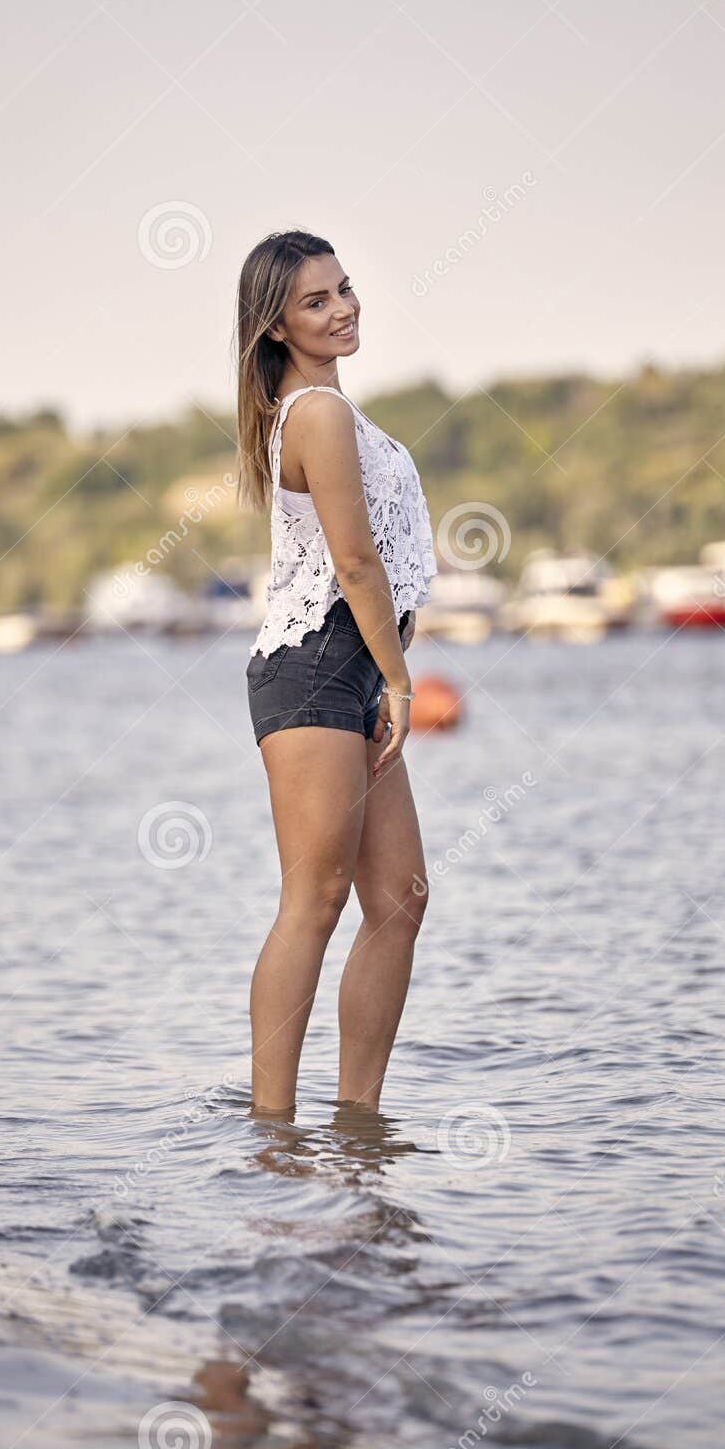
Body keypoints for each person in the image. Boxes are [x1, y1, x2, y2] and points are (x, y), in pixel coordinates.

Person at [235, 230, 437, 1115]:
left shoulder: (332, 409)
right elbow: (354, 565)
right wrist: (397, 681)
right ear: (274, 326)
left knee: (399, 899)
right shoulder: (314, 414)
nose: (342, 307)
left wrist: (384, 671)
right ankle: (272, 1128)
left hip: (352, 665)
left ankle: (359, 1124)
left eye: (344, 288)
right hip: (317, 667)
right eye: (315, 301)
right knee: (313, 901)